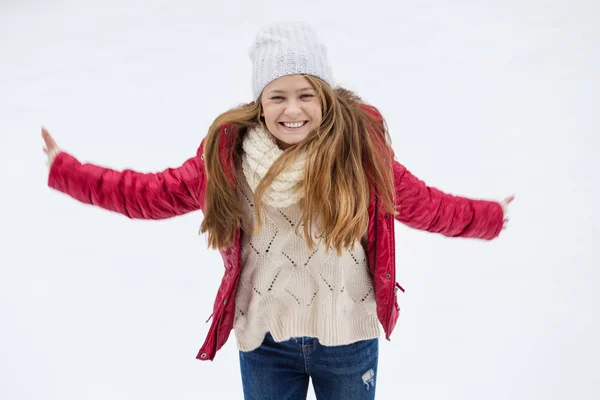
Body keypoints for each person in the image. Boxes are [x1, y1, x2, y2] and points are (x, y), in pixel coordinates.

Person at [41, 21, 514, 400]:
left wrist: (487, 216)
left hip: (349, 338)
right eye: (278, 96)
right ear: (259, 102)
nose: (293, 110)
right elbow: (148, 194)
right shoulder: (229, 156)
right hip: (266, 345)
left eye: (306, 94)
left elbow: (427, 205)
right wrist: (68, 170)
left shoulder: (359, 154)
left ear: (325, 98)